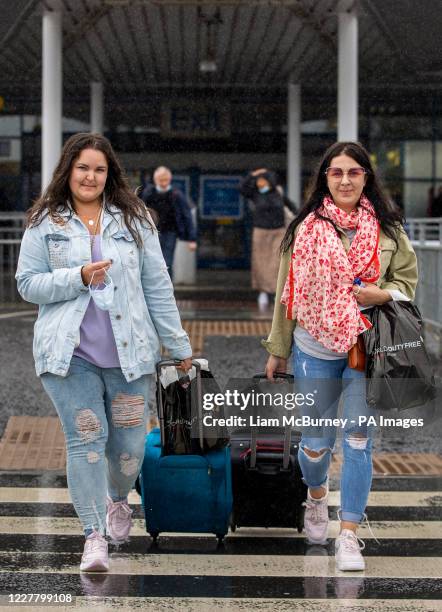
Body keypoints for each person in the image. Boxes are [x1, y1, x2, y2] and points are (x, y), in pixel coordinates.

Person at [15, 133, 193, 573]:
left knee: (128, 449)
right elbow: (27, 284)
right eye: (82, 168)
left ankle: (118, 498)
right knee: (86, 440)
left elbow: (158, 286)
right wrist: (77, 276)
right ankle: (93, 535)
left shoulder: (136, 221)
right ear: (68, 171)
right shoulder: (46, 222)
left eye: (98, 168)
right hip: (69, 355)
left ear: (110, 173)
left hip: (130, 355)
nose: (90, 176)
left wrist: (179, 342)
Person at [263, 142, 417, 571]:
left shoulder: (389, 230)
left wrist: (381, 293)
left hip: (368, 350)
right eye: (337, 173)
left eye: (354, 172)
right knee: (314, 447)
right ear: (325, 178)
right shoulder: (304, 228)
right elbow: (285, 295)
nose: (345, 180)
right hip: (313, 347)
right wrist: (278, 348)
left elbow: (408, 282)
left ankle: (348, 534)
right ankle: (316, 496)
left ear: (367, 177)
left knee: (358, 439)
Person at [240, 169, 297, 310]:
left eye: (262, 180)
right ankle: (263, 292)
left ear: (269, 181)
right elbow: (242, 188)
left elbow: (293, 208)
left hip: (278, 232)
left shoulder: (278, 193)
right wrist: (252, 174)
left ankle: (276, 293)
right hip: (260, 232)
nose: (259, 183)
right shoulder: (255, 194)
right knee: (260, 264)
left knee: (277, 264)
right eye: (258, 180)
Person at [141, 166, 196, 277]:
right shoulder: (149, 194)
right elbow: (139, 213)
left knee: (167, 262)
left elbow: (187, 216)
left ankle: (166, 289)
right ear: (155, 179)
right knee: (151, 262)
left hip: (170, 232)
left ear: (170, 179)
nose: (163, 183)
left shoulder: (176, 195)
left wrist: (192, 239)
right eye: (161, 180)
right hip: (151, 232)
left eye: (166, 180)